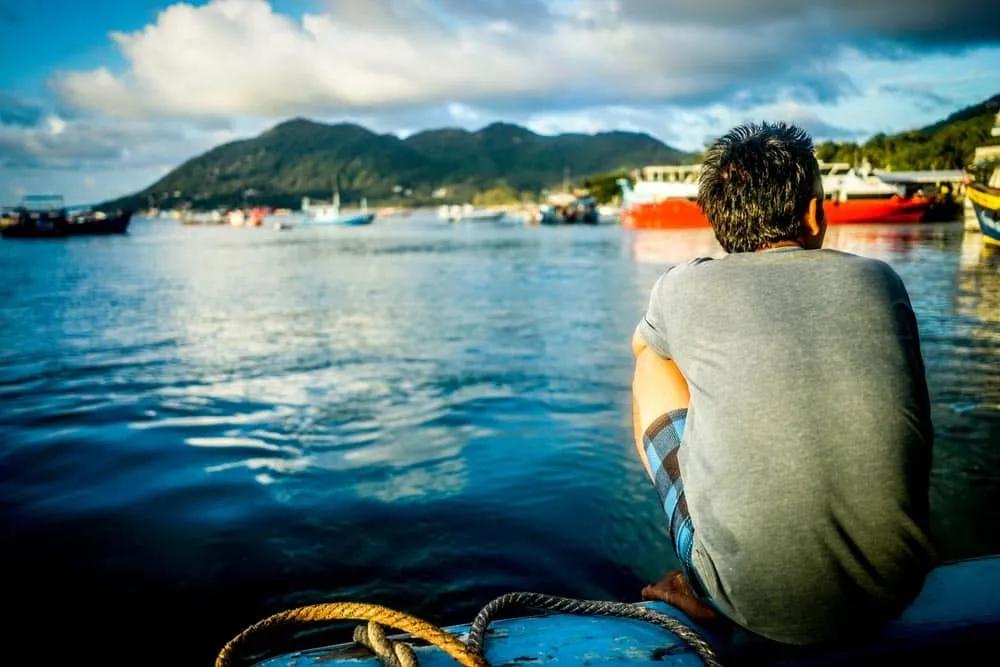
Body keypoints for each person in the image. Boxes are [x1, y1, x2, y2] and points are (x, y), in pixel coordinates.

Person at [631, 123, 935, 645]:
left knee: (651, 362)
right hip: (896, 589)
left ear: (719, 220)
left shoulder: (681, 286)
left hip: (750, 604)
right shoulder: (880, 279)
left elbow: (646, 353)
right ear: (816, 213)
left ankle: (705, 580)